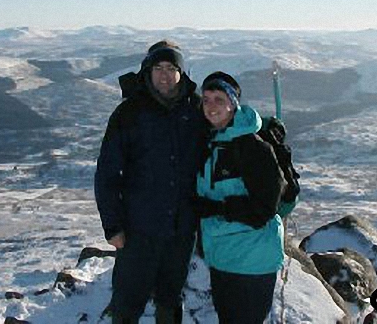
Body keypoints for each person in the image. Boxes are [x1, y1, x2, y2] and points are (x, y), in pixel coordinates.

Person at [94, 40, 206, 324]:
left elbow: (221, 140)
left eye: (171, 68)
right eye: (158, 67)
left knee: (170, 299)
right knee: (128, 301)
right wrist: (113, 226)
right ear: (148, 71)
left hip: (181, 230)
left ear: (182, 72)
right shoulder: (129, 113)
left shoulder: (196, 109)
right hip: (138, 230)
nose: (165, 74)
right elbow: (107, 174)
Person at [193, 71, 286, 324]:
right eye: (207, 99)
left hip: (251, 261)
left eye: (219, 99)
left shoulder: (252, 148)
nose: (211, 106)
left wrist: (216, 208)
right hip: (223, 256)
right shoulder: (212, 143)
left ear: (233, 105)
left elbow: (264, 208)